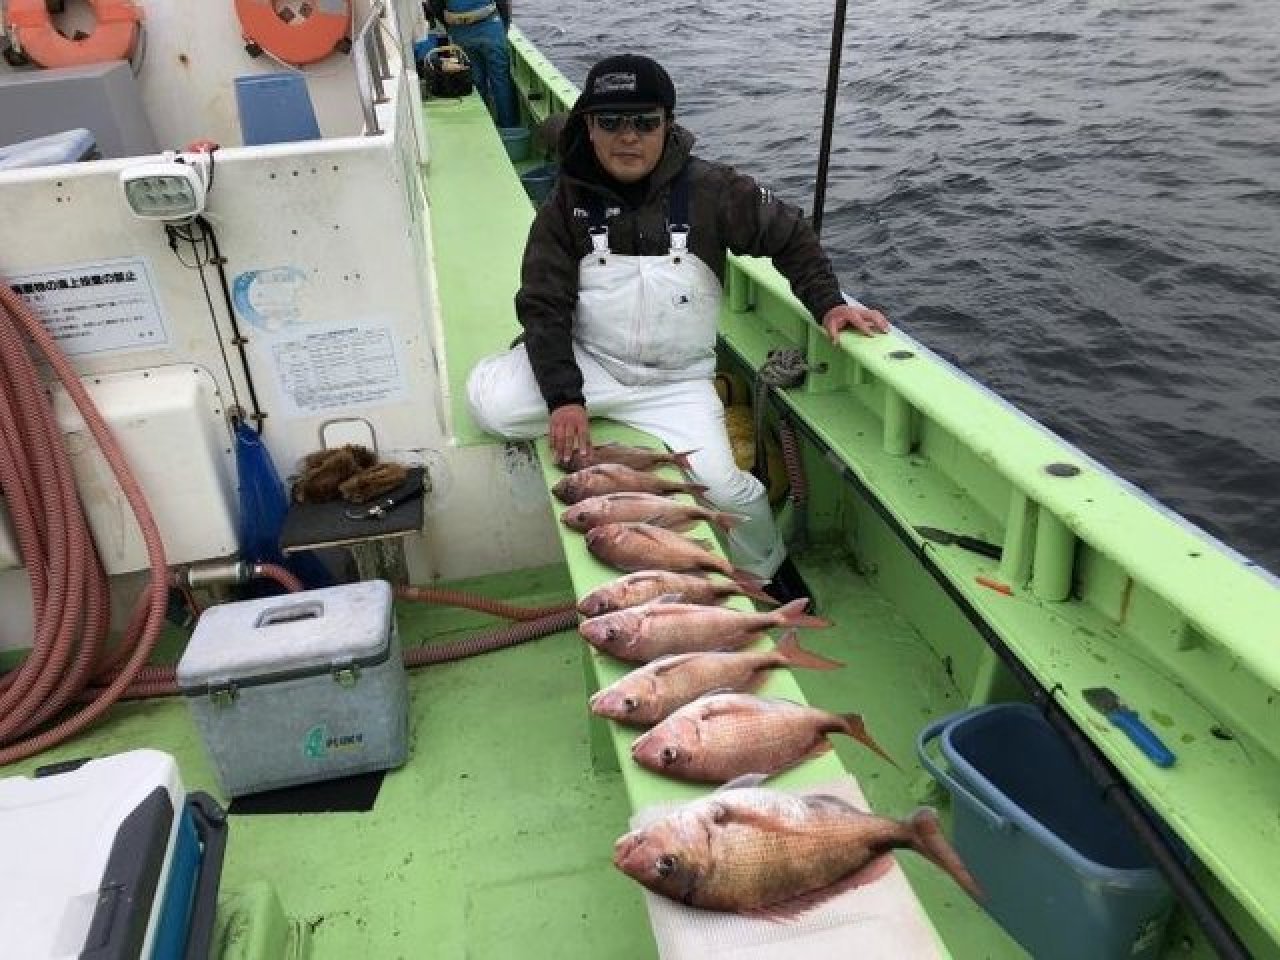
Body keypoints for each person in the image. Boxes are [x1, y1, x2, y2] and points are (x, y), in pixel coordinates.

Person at [467, 54, 889, 597]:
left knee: (728, 490)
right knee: (492, 407)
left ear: (668, 124)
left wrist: (829, 304)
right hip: (590, 364)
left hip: (677, 382)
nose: (628, 137)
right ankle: (524, 362)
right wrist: (564, 397)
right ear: (588, 128)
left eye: (645, 122)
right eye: (611, 122)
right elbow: (544, 303)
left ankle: (766, 573)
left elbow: (790, 236)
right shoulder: (564, 203)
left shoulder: (714, 191)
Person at [427, 0, 519, 128]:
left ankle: (482, 125)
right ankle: (509, 126)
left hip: (460, 32)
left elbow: (436, 6)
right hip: (490, 29)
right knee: (501, 80)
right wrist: (504, 28)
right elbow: (503, 3)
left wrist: (452, 28)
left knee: (475, 81)